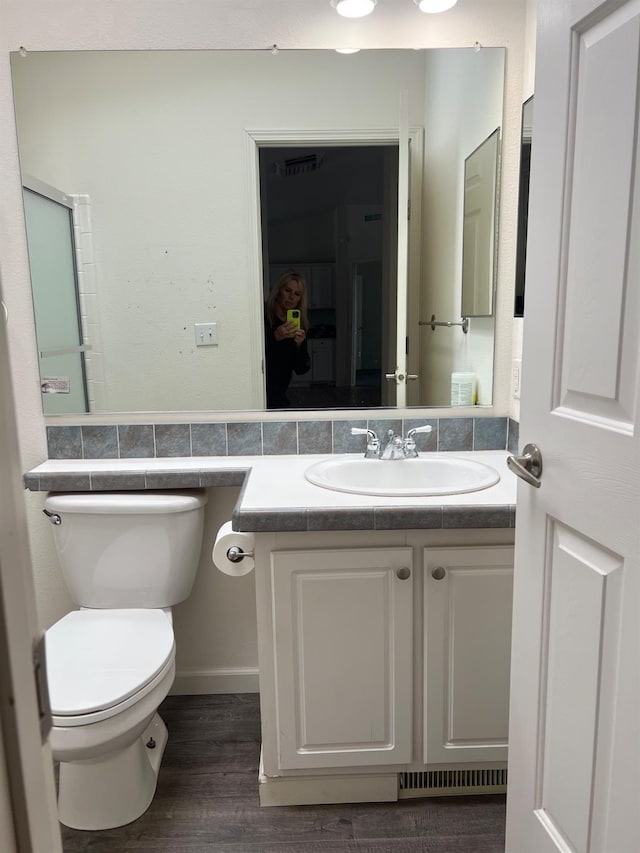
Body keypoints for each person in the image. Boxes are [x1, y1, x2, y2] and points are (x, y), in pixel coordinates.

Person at [264, 269, 311, 408]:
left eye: (297, 294)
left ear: (300, 299)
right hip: (261, 389)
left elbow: (302, 369)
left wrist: (299, 345)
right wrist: (274, 337)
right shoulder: (263, 317)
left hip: (281, 391)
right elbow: (254, 359)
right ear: (278, 290)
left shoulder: (298, 325)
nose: (291, 297)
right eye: (287, 290)